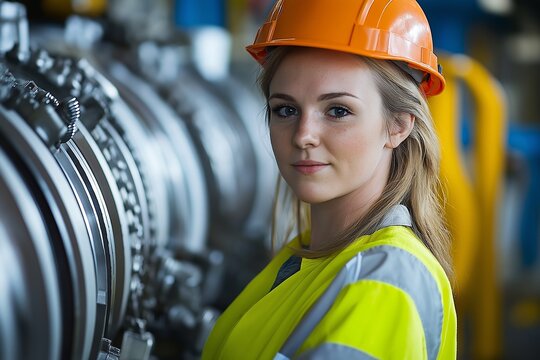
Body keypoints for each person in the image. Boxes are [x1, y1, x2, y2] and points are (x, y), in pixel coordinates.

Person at [202, 0, 457, 359]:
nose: (303, 135)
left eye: (338, 111)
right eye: (285, 110)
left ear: (398, 125)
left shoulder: (384, 279)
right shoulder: (304, 258)